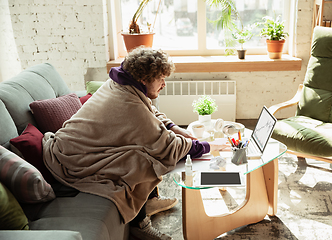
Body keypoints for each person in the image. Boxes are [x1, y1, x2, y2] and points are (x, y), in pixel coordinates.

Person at [42, 47, 229, 240]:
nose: (164, 84)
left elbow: (150, 112)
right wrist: (208, 146)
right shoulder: (128, 103)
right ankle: (140, 225)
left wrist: (175, 127)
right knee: (142, 160)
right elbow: (167, 145)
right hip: (71, 158)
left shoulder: (121, 83)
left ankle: (149, 202)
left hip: (75, 146)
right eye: (161, 79)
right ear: (143, 79)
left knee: (141, 151)